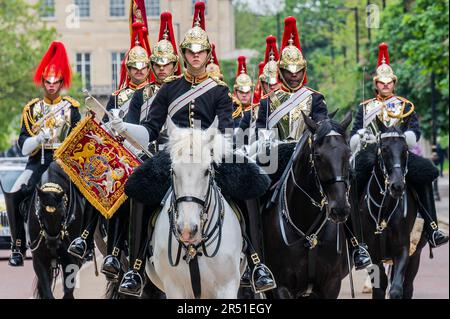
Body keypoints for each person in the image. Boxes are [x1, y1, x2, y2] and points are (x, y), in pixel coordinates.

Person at [111, 2, 275, 296]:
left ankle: (256, 262)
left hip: (210, 153)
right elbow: (150, 129)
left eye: (201, 52)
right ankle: (135, 267)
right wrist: (124, 128)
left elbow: (226, 130)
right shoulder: (168, 89)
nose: (196, 56)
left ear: (207, 55)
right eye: (191, 51)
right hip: (172, 153)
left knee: (252, 183)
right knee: (137, 187)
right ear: (184, 55)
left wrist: (208, 146)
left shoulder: (219, 91)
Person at [67, 7, 152, 276]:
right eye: (134, 67)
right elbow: (105, 130)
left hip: (146, 155)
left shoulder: (155, 94)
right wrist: (101, 125)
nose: (138, 71)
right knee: (101, 178)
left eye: (143, 67)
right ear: (128, 68)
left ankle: (115, 251)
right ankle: (85, 237)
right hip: (120, 156)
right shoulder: (117, 96)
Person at [350, 43, 449, 251]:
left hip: (398, 154)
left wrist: (405, 138)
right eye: (381, 83)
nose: (385, 86)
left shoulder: (405, 105)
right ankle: (353, 236)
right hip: (372, 154)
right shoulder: (365, 107)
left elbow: (415, 130)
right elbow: (354, 133)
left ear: (394, 83)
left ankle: (432, 227)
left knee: (426, 172)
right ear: (376, 84)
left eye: (389, 83)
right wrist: (360, 136)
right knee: (352, 178)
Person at [4, 41, 81, 266]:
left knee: (86, 195)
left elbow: (78, 139)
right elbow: (22, 143)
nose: (51, 85)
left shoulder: (70, 107)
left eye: (55, 81)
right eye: (47, 81)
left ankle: (82, 242)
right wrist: (38, 138)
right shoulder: (32, 109)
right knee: (15, 191)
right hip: (37, 162)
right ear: (43, 81)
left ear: (61, 82)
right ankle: (17, 246)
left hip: (64, 163)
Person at [255, 17, 328, 143]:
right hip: (275, 155)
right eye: (289, 71)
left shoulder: (315, 98)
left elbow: (321, 129)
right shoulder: (267, 102)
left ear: (303, 70)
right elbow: (260, 132)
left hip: (307, 155)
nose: (294, 74)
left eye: (298, 70)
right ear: (281, 72)